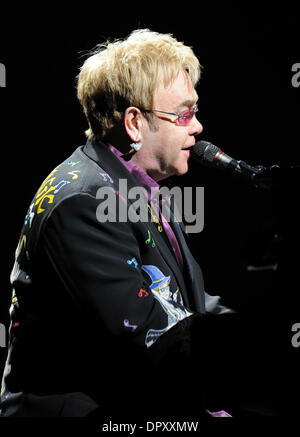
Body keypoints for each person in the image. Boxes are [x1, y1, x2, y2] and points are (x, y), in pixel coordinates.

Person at [0, 29, 233, 418]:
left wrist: (259, 340)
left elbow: (190, 304)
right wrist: (257, 358)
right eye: (184, 113)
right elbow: (145, 339)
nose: (197, 127)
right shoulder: (84, 204)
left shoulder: (139, 184)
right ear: (134, 123)